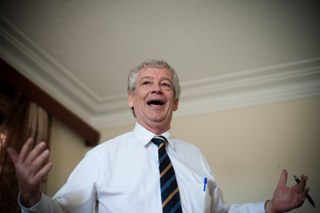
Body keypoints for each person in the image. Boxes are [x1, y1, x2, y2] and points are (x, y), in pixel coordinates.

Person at [7, 60, 309, 213]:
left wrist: (270, 207)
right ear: (131, 99)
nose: (157, 89)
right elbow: (62, 211)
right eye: (147, 83)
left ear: (174, 102)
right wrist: (31, 197)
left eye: (166, 85)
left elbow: (221, 212)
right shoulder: (102, 157)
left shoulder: (196, 156)